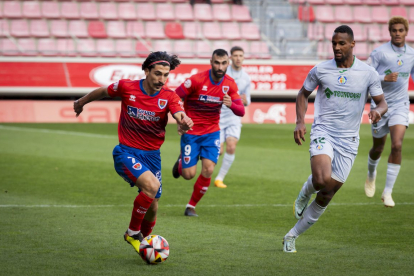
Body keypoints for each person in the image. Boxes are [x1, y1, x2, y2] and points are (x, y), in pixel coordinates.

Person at [73, 52, 194, 255]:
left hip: (153, 156)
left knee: (153, 205)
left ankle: (145, 245)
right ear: (146, 71)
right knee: (152, 187)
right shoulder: (126, 87)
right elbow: (102, 91)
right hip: (126, 152)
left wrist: (183, 120)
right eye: (157, 74)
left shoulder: (169, 96)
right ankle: (132, 233)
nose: (161, 79)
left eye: (166, 75)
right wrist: (81, 102)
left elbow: (179, 112)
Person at [282, 25, 388, 253]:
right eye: (334, 43)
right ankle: (304, 192)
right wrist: (300, 121)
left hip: (348, 140)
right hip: (324, 131)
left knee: (327, 193)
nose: (337, 47)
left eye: (341, 43)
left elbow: (382, 102)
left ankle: (291, 236)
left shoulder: (368, 73)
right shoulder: (321, 69)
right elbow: (303, 93)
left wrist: (378, 111)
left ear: (352, 45)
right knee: (320, 179)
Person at [172, 49, 245, 217]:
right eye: (217, 63)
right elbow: (174, 98)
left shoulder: (230, 84)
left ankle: (191, 206)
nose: (220, 67)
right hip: (191, 132)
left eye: (223, 63)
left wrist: (231, 104)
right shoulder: (196, 80)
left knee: (208, 170)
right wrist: (180, 119)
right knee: (188, 175)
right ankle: (182, 161)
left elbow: (241, 111)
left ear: (228, 63)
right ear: (211, 62)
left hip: (212, 133)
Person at [364, 16, 414, 207]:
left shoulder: (412, 54)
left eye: (401, 30)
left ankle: (388, 192)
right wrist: (384, 77)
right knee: (378, 148)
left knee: (397, 145)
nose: (397, 33)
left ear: (406, 32)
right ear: (390, 32)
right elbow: (365, 74)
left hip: (401, 104)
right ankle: (371, 173)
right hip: (380, 105)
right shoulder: (379, 53)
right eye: (394, 30)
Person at [214, 46, 251, 188]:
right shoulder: (222, 73)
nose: (238, 58)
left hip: (234, 117)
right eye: (235, 55)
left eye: (241, 55)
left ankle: (219, 178)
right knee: (219, 150)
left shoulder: (246, 77)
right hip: (219, 116)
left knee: (231, 146)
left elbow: (248, 100)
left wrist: (244, 100)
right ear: (230, 58)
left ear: (243, 58)